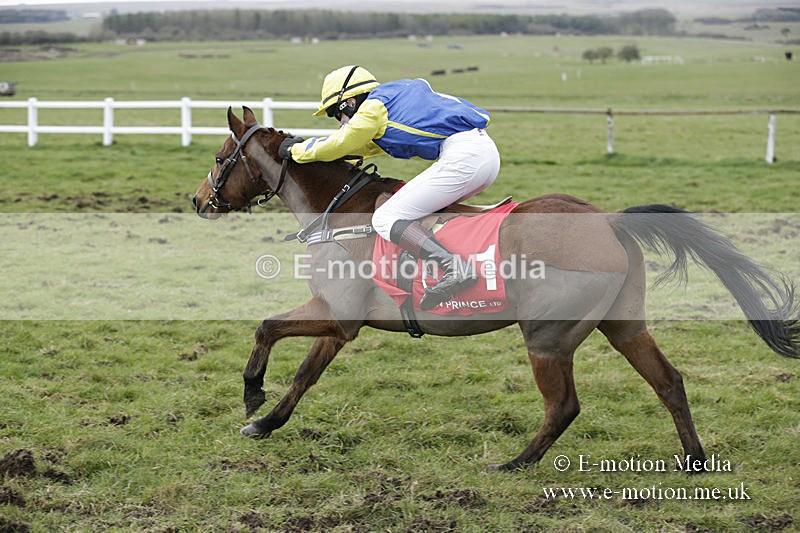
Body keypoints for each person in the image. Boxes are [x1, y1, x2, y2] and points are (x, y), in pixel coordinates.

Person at [278, 65, 501, 310]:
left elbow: (343, 142)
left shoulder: (373, 107)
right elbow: (363, 147)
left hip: (464, 158)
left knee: (386, 217)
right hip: (483, 154)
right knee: (423, 213)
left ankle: (454, 268)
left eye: (336, 114)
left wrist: (295, 150)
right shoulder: (393, 97)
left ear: (349, 102)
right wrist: (318, 153)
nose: (339, 122)